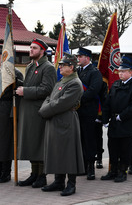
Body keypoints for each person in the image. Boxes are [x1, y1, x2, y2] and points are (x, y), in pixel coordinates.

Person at [39, 53, 84, 196]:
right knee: (57, 152)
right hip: (55, 121)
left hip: (66, 122)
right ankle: (59, 181)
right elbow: (49, 98)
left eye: (63, 65)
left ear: (71, 67)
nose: (59, 68)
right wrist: (45, 108)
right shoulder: (62, 81)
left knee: (69, 153)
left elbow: (60, 103)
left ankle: (71, 184)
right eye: (60, 65)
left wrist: (44, 111)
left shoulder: (75, 84)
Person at [16, 38, 56, 188]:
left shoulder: (48, 67)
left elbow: (47, 89)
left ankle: (42, 175)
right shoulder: (31, 66)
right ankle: (34, 174)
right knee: (31, 143)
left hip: (39, 111)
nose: (30, 50)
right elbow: (30, 85)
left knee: (39, 144)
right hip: (28, 111)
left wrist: (25, 91)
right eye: (30, 47)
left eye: (34, 48)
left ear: (42, 51)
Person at [101, 56, 132, 182]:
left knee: (125, 150)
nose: (120, 73)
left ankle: (122, 171)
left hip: (126, 123)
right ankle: (113, 170)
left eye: (123, 71)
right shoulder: (116, 85)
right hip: (114, 123)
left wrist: (122, 115)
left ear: (130, 72)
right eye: (119, 71)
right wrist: (105, 119)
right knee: (113, 148)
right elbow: (108, 103)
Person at [76, 47, 103, 180]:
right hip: (78, 111)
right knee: (80, 139)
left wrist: (78, 99)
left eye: (80, 56)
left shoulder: (94, 72)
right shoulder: (77, 71)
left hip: (89, 111)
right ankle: (84, 166)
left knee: (89, 140)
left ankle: (91, 167)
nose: (78, 59)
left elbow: (93, 90)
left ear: (87, 58)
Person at [0, 66, 23, 183]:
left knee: (5, 142)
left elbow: (18, 91)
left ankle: (5, 172)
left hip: (6, 109)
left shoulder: (14, 72)